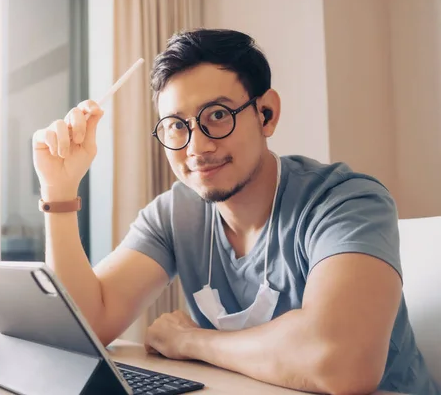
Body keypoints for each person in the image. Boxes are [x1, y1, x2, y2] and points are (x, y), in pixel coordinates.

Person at [32, 28, 439, 395]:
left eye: (218, 116)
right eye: (176, 125)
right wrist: (60, 191)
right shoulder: (177, 213)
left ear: (267, 114)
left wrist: (189, 342)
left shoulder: (345, 201)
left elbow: (342, 363)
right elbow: (86, 325)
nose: (197, 147)